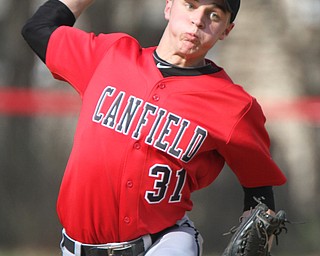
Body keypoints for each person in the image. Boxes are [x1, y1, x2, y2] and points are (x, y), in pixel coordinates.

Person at [22, 0, 287, 255]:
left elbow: (260, 188)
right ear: (168, 6)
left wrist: (261, 235)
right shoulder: (110, 56)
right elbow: (38, 29)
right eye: (190, 5)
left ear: (226, 31)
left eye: (214, 15)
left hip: (165, 243)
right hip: (76, 246)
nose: (198, 21)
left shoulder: (234, 106)